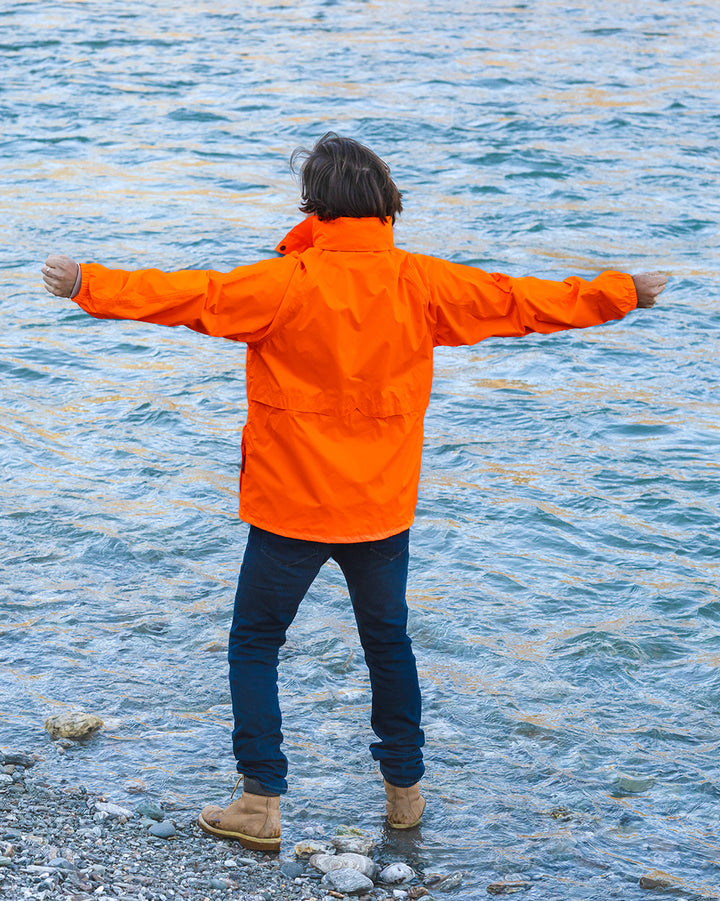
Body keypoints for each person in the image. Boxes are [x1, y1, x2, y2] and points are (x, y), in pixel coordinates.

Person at [42, 132, 667, 852]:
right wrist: (621, 292)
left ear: (316, 205)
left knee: (256, 643)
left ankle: (261, 801)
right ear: (385, 204)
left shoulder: (286, 282)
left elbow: (192, 295)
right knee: (387, 644)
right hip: (380, 508)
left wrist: (87, 282)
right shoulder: (419, 282)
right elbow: (521, 301)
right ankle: (405, 797)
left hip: (292, 507)